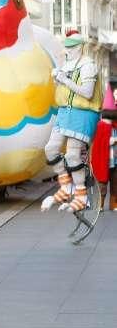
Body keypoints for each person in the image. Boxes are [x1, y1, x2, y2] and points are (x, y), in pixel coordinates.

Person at [42, 31, 103, 213]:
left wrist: (65, 80)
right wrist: (59, 79)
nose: (66, 51)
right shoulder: (67, 65)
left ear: (79, 48)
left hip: (82, 113)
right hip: (64, 112)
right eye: (65, 47)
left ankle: (82, 195)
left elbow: (87, 92)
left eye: (70, 48)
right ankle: (66, 185)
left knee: (72, 155)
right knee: (50, 149)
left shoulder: (88, 66)